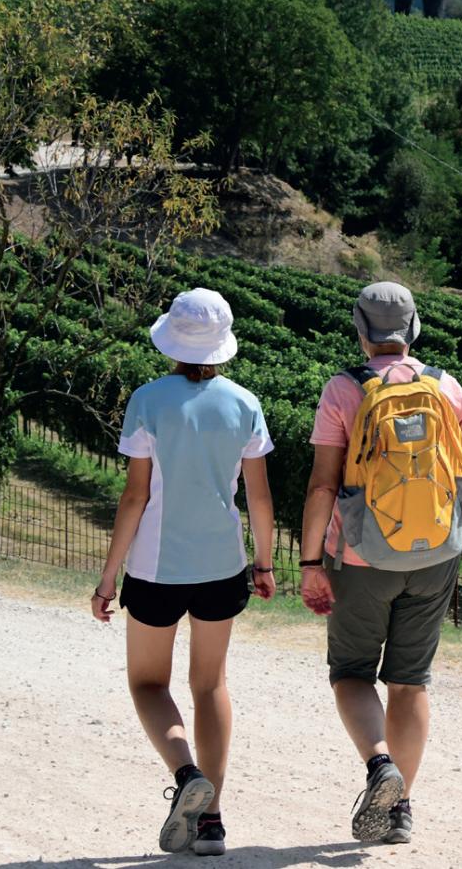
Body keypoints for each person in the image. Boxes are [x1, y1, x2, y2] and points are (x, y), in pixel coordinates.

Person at [298, 281, 462, 845]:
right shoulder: (446, 387)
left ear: (361, 332)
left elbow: (322, 487)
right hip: (438, 553)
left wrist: (311, 560)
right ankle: (401, 808)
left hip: (362, 555)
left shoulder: (344, 390)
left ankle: (378, 765)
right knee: (410, 683)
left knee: (353, 673)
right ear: (413, 331)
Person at [91, 288, 277, 858]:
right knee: (211, 685)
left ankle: (185, 772)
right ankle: (212, 822)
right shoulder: (245, 403)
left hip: (155, 567)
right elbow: (261, 497)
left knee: (148, 683)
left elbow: (134, 497)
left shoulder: (148, 400)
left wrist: (107, 578)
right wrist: (264, 563)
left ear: (171, 340)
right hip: (223, 565)